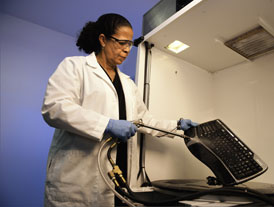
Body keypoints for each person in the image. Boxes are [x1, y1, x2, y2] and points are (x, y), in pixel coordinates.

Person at [41, 13, 197, 207]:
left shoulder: (128, 83)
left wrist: (177, 125)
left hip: (119, 183)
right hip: (78, 182)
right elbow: (54, 108)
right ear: (103, 40)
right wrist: (106, 124)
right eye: (121, 42)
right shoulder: (75, 67)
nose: (126, 50)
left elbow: (143, 120)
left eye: (129, 44)